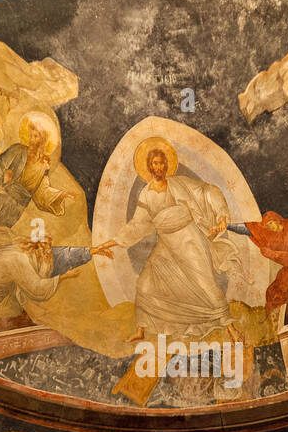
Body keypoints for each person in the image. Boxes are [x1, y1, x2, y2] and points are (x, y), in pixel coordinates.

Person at [94, 137, 243, 343]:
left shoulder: (178, 183)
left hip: (188, 238)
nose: (159, 167)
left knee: (205, 283)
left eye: (162, 162)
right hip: (166, 243)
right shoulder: (146, 194)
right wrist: (109, 243)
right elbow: (137, 225)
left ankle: (231, 330)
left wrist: (222, 217)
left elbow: (207, 190)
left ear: (167, 164)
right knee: (145, 283)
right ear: (149, 167)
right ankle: (141, 330)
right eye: (155, 163)